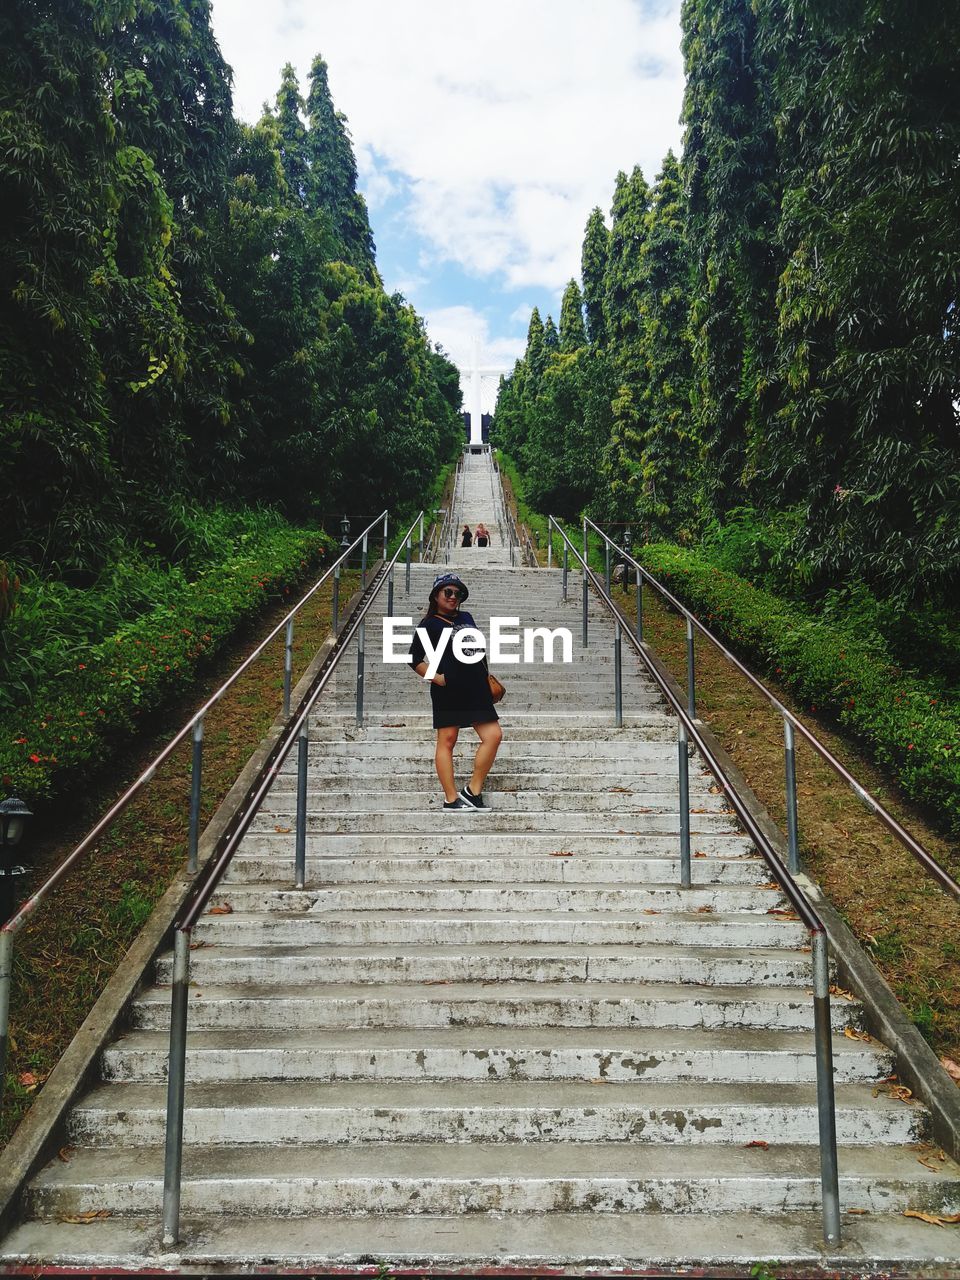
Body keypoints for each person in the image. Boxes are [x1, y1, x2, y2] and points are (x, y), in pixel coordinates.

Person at [409, 573, 502, 812]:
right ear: (436, 596)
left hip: (476, 688)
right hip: (448, 691)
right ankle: (451, 799)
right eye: (447, 592)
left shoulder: (466, 617)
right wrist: (437, 678)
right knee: (447, 741)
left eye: (457, 593)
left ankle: (473, 792)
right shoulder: (429, 624)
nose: (453, 597)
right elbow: (414, 658)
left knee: (493, 736)